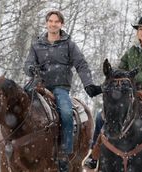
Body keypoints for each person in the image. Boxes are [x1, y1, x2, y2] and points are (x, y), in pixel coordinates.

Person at [84, 15, 142, 172]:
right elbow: (119, 71)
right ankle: (93, 155)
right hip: (127, 91)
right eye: (140, 29)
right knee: (101, 117)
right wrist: (103, 86)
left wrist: (132, 78)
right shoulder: (131, 51)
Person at [23, 10, 102, 172]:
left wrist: (88, 84)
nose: (53, 24)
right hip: (38, 86)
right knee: (17, 105)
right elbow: (27, 65)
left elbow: (81, 64)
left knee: (66, 113)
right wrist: (31, 69)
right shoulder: (37, 44)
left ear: (61, 24)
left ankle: (64, 153)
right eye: (50, 21)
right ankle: (7, 143)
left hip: (60, 88)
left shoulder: (69, 45)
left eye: (56, 21)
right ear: (46, 23)